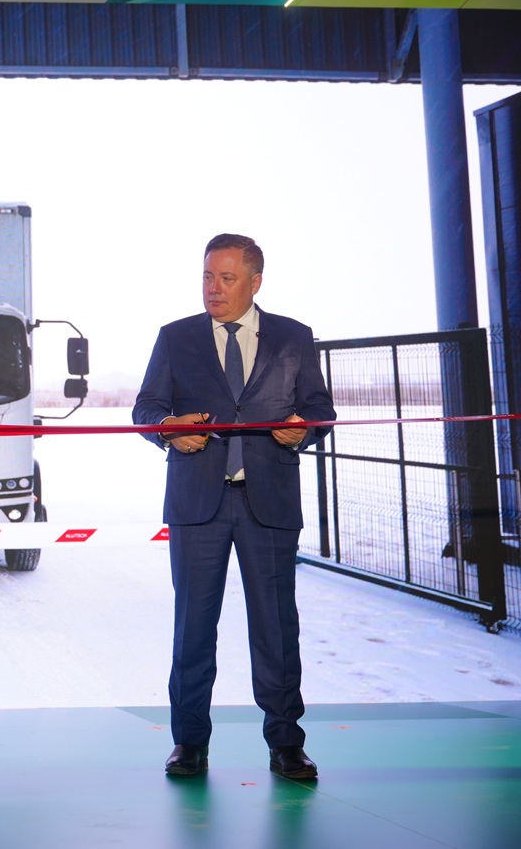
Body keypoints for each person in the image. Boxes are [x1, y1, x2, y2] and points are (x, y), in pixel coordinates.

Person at [131, 233, 335, 780]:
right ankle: (189, 742)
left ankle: (286, 743)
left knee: (276, 628)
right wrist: (167, 429)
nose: (213, 288)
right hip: (197, 505)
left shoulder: (294, 337)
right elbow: (146, 408)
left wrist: (304, 430)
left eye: (226, 278)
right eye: (207, 276)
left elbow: (319, 409)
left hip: (269, 504)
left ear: (255, 282)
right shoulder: (175, 337)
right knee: (193, 628)